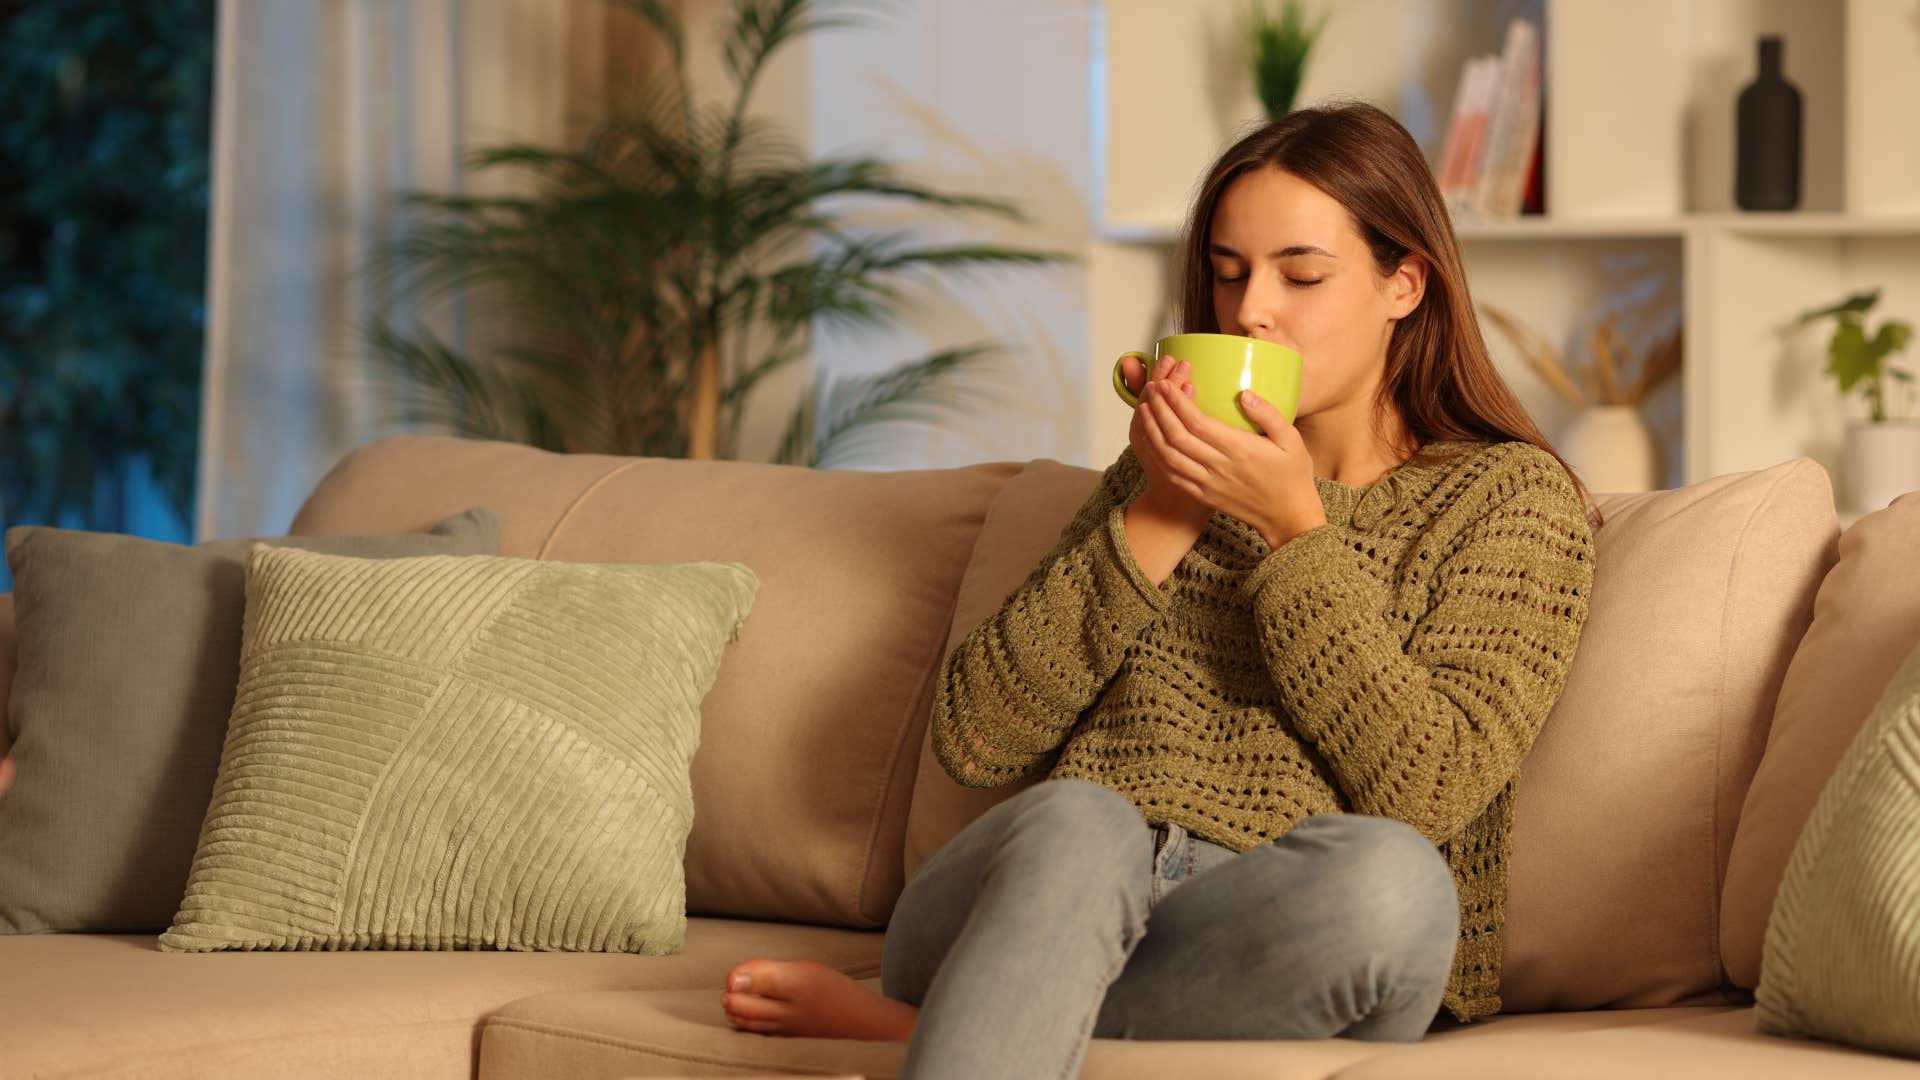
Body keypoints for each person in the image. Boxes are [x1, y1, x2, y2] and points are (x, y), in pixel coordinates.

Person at [715, 101, 1598, 1078]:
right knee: (1082, 816)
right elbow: (978, 738)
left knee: (1399, 885)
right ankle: (1000, 1004)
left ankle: (942, 1024)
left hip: (1272, 936)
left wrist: (1291, 527)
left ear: (1405, 283)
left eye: (1300, 274)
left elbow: (1428, 790)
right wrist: (1168, 505)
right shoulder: (1157, 478)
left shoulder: (1509, 499)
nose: (1251, 309)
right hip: (1047, 888)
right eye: (1228, 274)